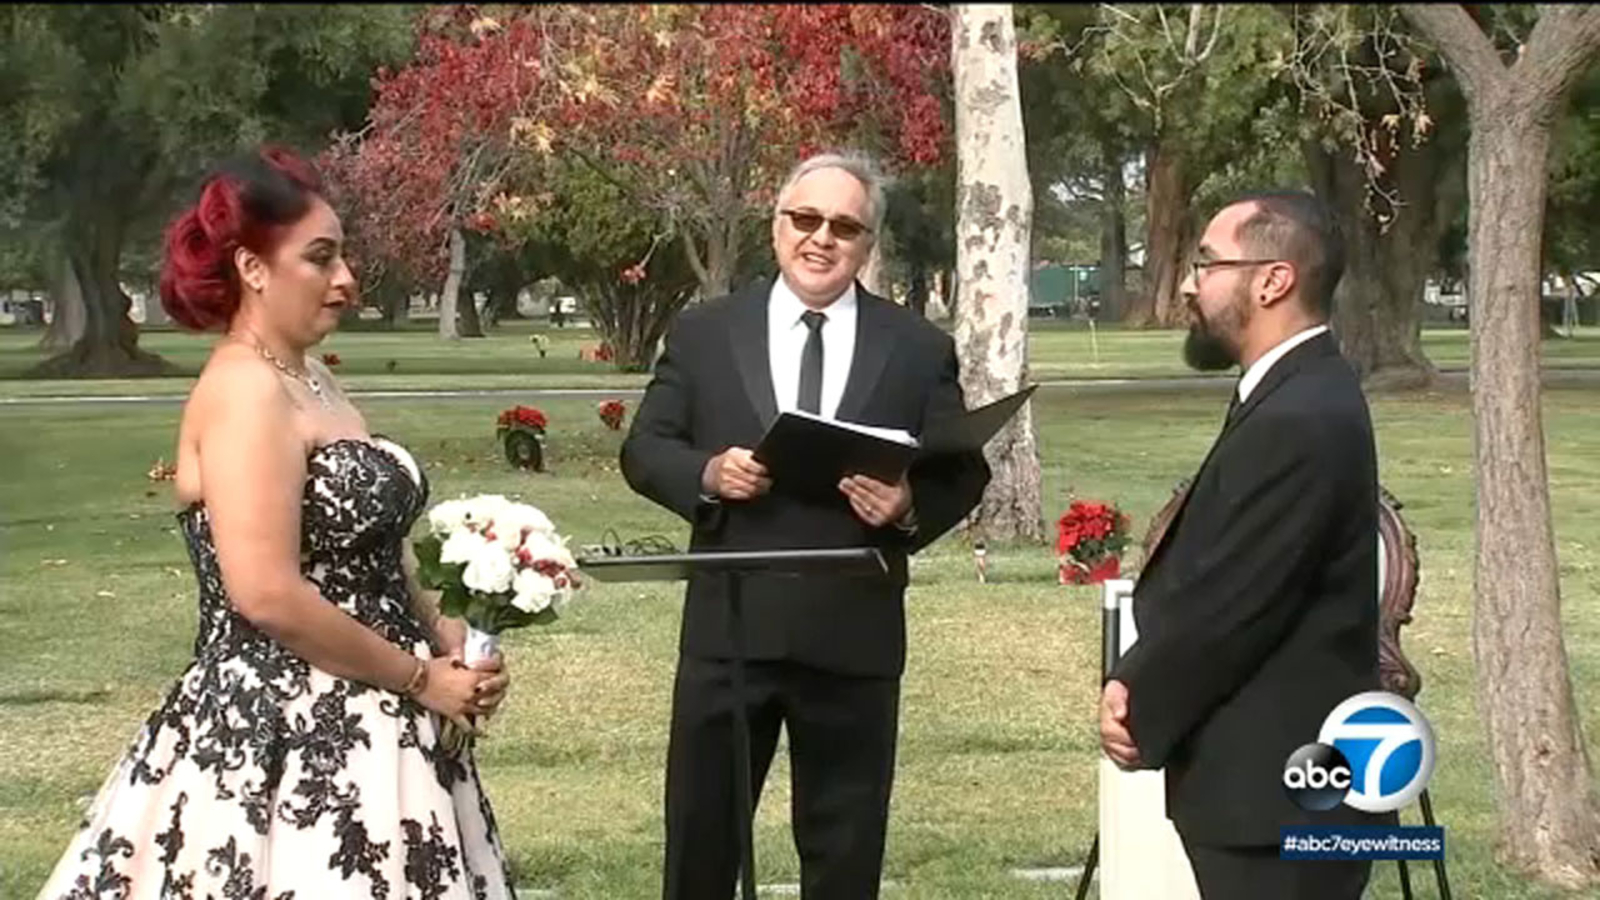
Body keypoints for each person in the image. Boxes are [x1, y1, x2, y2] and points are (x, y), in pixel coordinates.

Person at [38, 146, 516, 899]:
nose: (346, 279)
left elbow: (373, 551)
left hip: (382, 721)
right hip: (286, 738)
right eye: (320, 259)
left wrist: (448, 637)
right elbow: (264, 592)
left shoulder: (312, 377)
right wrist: (421, 677)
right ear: (252, 269)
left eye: (343, 257)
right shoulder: (244, 389)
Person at [620, 151, 991, 899]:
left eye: (844, 226)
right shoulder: (706, 331)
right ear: (777, 224)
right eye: (806, 219)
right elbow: (645, 448)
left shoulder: (917, 348)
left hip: (853, 637)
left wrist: (907, 505)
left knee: (845, 854)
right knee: (700, 846)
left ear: (867, 243)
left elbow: (962, 468)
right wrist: (708, 474)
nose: (821, 238)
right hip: (730, 629)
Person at [1098, 191, 1388, 898]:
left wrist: (1135, 697)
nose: (1190, 283)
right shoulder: (1288, 392)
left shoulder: (1302, 414)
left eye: (1206, 262)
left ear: (1272, 279)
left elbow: (1234, 601)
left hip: (1280, 798)